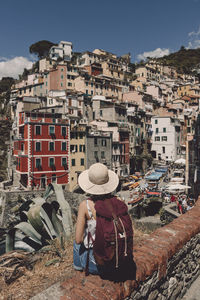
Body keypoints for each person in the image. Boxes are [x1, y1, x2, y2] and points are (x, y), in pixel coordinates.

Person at [73, 163, 134, 278]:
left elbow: (78, 239)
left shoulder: (85, 205)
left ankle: (78, 269)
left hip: (97, 264)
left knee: (76, 244)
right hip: (119, 259)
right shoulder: (119, 201)